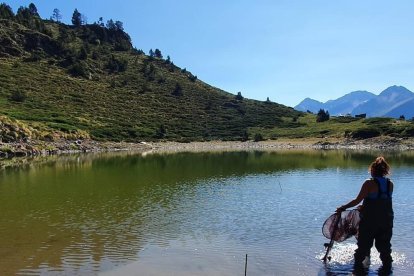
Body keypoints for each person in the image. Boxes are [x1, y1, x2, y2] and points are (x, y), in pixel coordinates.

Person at [336, 156, 394, 273]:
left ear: (373, 170)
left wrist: (343, 207)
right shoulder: (390, 184)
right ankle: (388, 270)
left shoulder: (369, 183)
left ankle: (358, 270)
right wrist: (365, 206)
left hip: (370, 222)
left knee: (363, 247)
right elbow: (381, 200)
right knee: (385, 248)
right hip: (387, 221)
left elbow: (357, 200)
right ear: (384, 171)